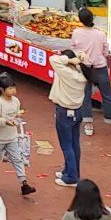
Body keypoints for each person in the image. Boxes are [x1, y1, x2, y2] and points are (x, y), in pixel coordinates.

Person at [71, 6, 111, 133]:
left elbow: (74, 49)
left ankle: (88, 125)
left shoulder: (76, 32)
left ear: (80, 20)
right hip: (100, 68)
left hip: (84, 68)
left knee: (85, 95)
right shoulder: (101, 34)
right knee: (107, 96)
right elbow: (105, 51)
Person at [46, 42, 88, 187]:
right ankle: (72, 171)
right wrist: (79, 59)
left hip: (64, 112)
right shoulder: (81, 73)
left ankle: (71, 177)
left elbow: (53, 59)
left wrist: (69, 60)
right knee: (74, 143)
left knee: (66, 145)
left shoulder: (67, 73)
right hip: (77, 111)